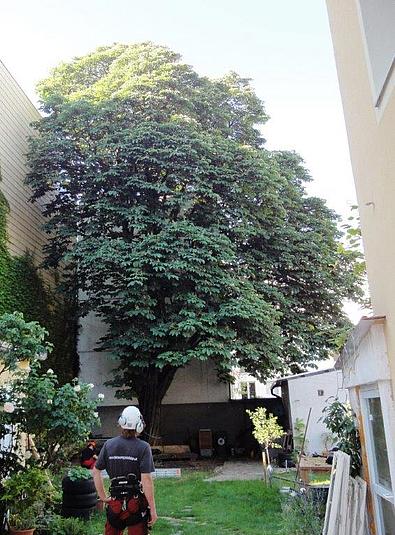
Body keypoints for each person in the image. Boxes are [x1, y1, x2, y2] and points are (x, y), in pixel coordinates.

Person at [93, 406, 158, 535]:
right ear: (139, 426)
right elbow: (146, 480)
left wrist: (103, 497)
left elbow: (96, 471)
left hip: (115, 503)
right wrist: (152, 509)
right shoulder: (143, 447)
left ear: (121, 423)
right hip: (135, 504)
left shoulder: (109, 445)